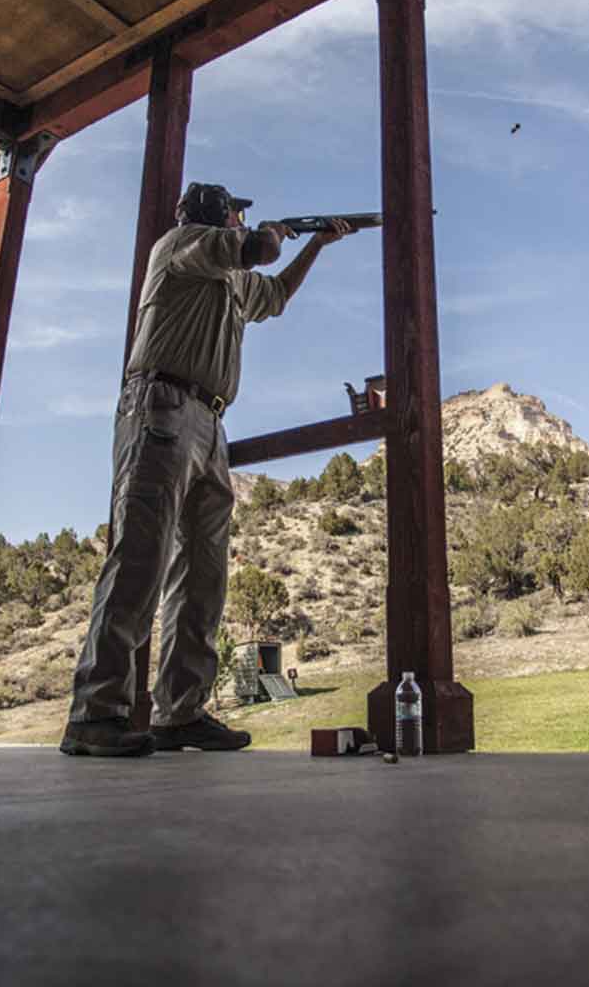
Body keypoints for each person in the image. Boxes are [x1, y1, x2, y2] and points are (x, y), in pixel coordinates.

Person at [61, 182, 353, 756]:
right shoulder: (182, 244)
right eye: (235, 212)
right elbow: (257, 251)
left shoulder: (230, 277)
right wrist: (275, 234)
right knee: (139, 557)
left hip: (211, 422)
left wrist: (316, 245)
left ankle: (182, 712)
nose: (241, 217)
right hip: (162, 408)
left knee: (203, 576)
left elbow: (274, 294)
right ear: (219, 217)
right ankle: (95, 714)